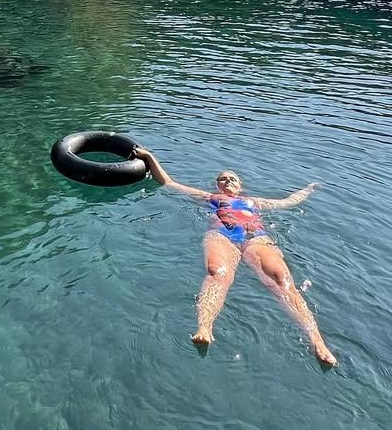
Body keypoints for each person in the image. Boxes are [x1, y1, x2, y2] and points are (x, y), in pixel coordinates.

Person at [133, 146, 336, 366]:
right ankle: (205, 326)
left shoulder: (256, 202)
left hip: (256, 239)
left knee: (282, 279)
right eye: (223, 179)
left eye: (232, 179)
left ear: (240, 187)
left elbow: (290, 201)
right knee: (218, 273)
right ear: (217, 185)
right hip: (222, 236)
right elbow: (170, 183)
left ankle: (317, 340)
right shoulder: (212, 198)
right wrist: (149, 157)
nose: (227, 180)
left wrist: (309, 188)